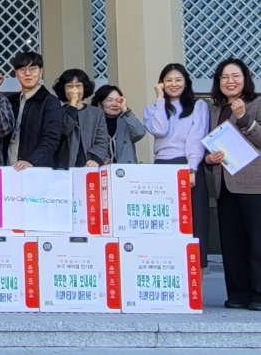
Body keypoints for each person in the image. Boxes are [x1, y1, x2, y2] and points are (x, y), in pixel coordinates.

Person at [205, 58, 261, 310]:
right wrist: (208, 159)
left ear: (245, 79)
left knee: (257, 240)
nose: (230, 81)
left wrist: (244, 117)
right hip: (224, 184)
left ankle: (258, 294)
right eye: (224, 77)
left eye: (235, 76)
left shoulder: (257, 103)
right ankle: (237, 294)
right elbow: (209, 143)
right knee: (231, 242)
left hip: (253, 184)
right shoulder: (215, 110)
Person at [143, 63, 209, 270]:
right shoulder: (152, 109)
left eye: (178, 80)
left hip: (187, 165)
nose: (174, 84)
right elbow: (159, 130)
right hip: (162, 167)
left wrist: (192, 168)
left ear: (186, 83)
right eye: (168, 80)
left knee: (196, 224)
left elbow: (196, 139)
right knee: (166, 222)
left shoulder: (199, 107)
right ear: (161, 83)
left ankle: (197, 281)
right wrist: (160, 99)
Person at [2, 51, 63, 171]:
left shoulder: (50, 102)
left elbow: (51, 139)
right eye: (22, 69)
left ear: (41, 72)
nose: (27, 73)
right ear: (16, 73)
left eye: (33, 69)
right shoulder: (10, 100)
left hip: (37, 170)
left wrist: (32, 161)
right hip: (8, 168)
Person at [53, 69, 109, 168]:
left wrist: (96, 159)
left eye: (78, 85)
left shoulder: (96, 113)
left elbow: (102, 141)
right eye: (69, 86)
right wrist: (72, 104)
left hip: (89, 165)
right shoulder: (57, 112)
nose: (74, 90)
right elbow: (63, 131)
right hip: (64, 166)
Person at [91, 84, 146, 164]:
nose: (115, 104)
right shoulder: (93, 123)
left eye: (118, 100)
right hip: (101, 167)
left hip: (126, 169)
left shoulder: (126, 120)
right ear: (100, 104)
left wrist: (125, 110)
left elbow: (140, 133)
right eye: (110, 100)